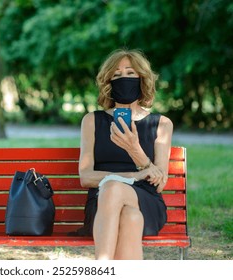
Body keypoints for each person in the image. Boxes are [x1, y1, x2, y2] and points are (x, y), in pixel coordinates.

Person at [77, 49, 173, 260]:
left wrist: (134, 148)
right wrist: (135, 176)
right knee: (129, 217)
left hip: (145, 199)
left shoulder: (161, 124)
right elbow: (85, 177)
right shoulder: (92, 121)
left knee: (113, 187)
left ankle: (101, 267)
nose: (124, 79)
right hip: (102, 206)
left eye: (130, 73)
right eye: (117, 75)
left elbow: (160, 182)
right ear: (108, 82)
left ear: (142, 78)